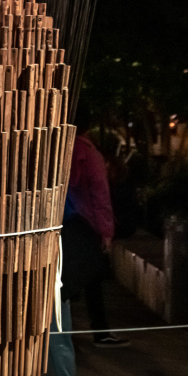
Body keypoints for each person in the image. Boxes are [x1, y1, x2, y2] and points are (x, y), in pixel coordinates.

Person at [65, 110, 128, 348]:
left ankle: (65, 333)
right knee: (90, 278)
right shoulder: (90, 154)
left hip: (64, 221)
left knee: (69, 279)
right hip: (87, 224)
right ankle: (100, 332)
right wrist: (106, 232)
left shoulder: (62, 151)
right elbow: (100, 196)